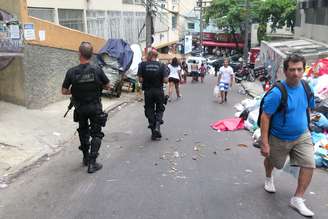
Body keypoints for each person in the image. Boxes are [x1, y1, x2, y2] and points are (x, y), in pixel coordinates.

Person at [260, 54, 315, 217]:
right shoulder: (277, 92)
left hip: (302, 135)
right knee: (274, 162)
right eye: (292, 70)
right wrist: (265, 142)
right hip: (279, 137)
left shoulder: (306, 87)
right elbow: (265, 116)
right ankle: (268, 177)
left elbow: (309, 108)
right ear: (285, 71)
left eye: (299, 69)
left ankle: (297, 198)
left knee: (309, 164)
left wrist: (307, 126)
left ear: (303, 70)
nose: (296, 73)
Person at [62, 42, 110, 174]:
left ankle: (85, 157)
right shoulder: (97, 70)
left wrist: (75, 90)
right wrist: (98, 86)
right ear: (91, 55)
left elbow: (64, 91)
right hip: (95, 108)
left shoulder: (71, 72)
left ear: (79, 54)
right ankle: (92, 163)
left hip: (80, 108)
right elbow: (108, 86)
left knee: (83, 131)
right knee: (96, 133)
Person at [137, 50, 168, 140]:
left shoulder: (142, 65)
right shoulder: (162, 65)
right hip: (159, 91)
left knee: (149, 108)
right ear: (156, 56)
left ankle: (153, 127)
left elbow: (140, 80)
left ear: (148, 56)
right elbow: (166, 80)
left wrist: (147, 79)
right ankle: (157, 126)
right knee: (160, 108)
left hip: (148, 91)